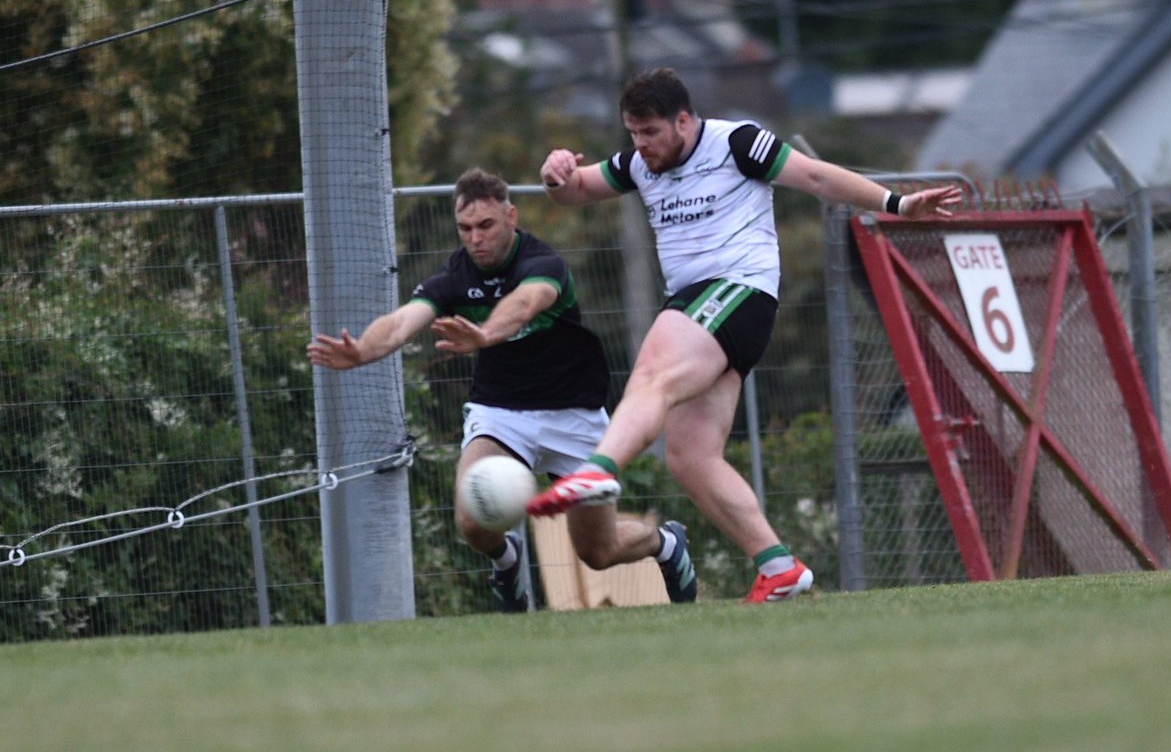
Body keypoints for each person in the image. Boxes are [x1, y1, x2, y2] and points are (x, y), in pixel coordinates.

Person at [530, 67, 963, 603]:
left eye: (651, 133)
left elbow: (818, 178)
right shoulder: (640, 164)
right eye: (633, 134)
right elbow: (574, 192)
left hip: (736, 292)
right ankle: (778, 565)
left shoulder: (737, 142)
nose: (641, 146)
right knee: (690, 455)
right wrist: (556, 174)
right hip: (703, 309)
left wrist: (895, 204)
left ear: (684, 121)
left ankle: (598, 471)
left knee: (651, 376)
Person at [307, 167, 697, 613]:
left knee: (598, 552)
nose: (476, 238)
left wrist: (486, 333)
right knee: (472, 522)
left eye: (486, 226)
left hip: (574, 415)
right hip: (500, 412)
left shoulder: (543, 263)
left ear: (511, 217)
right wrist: (363, 352)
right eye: (466, 228)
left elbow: (526, 303)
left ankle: (666, 543)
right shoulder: (455, 276)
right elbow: (402, 321)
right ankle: (508, 562)